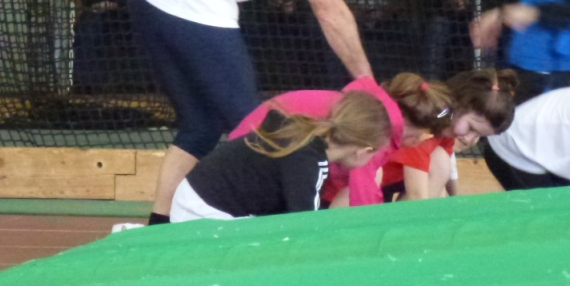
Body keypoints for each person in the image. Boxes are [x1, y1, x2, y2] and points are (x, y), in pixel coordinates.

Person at [124, 0, 376, 225]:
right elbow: (329, 9)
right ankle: (279, 227)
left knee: (201, 125)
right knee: (262, 128)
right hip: (193, 4)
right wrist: (365, 81)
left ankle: (158, 227)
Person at [230, 72, 452, 208]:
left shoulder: (376, 109)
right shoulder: (378, 126)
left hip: (258, 157)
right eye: (424, 134)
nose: (419, 141)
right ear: (411, 125)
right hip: (253, 169)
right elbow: (362, 196)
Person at [170, 90, 392, 222]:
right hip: (203, 216)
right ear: (363, 151)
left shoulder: (300, 132)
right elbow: (304, 226)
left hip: (194, 201)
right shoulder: (308, 163)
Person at [380, 68, 518, 201]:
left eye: (479, 136)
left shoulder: (446, 130)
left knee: (441, 163)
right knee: (439, 160)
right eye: (471, 128)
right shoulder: (423, 134)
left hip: (389, 184)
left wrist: (456, 200)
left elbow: (447, 172)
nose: (471, 140)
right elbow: (417, 195)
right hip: (374, 185)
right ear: (458, 106)